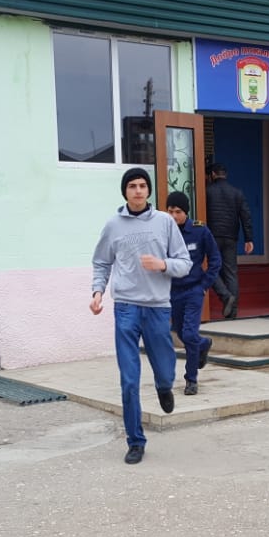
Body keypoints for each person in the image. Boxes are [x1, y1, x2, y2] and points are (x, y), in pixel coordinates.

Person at [90, 167, 192, 464]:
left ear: (149, 191)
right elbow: (101, 262)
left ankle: (164, 385)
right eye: (132, 185)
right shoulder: (113, 225)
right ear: (125, 191)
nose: (138, 190)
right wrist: (97, 291)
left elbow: (184, 263)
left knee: (165, 368)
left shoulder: (164, 222)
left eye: (142, 185)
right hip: (125, 307)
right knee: (129, 379)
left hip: (158, 306)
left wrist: (163, 265)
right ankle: (135, 441)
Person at [164, 191, 222, 397]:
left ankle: (191, 380)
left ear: (186, 212)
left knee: (189, 334)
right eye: (170, 211)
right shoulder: (163, 232)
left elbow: (215, 259)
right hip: (173, 291)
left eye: (178, 212)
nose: (173, 216)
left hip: (193, 290)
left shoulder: (200, 231)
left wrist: (204, 285)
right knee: (181, 333)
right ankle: (204, 343)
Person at [204, 162, 255, 319]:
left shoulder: (207, 191)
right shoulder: (236, 192)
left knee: (210, 269)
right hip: (231, 237)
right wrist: (249, 239)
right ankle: (233, 311)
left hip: (212, 237)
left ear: (213, 174)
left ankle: (226, 296)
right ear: (225, 175)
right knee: (231, 272)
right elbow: (246, 216)